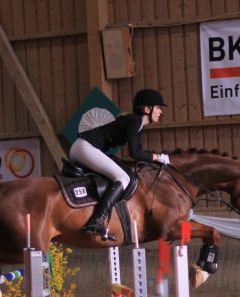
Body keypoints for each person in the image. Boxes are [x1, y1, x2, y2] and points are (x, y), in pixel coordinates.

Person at [70, 88, 171, 238]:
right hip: (85, 147)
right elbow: (135, 153)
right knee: (123, 178)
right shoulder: (135, 121)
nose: (160, 112)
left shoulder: (137, 125)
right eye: (157, 107)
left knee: (121, 173)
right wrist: (158, 157)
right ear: (147, 109)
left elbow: (139, 153)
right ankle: (96, 220)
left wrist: (155, 158)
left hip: (82, 148)